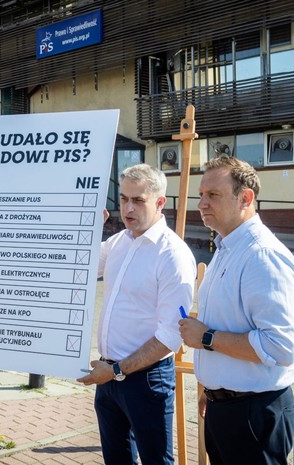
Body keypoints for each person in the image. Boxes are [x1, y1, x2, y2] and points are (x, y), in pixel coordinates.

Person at [179, 155, 294, 465]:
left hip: (253, 413)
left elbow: (279, 346)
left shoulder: (262, 256)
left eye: (213, 195)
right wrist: (214, 388)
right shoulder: (228, 247)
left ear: (245, 198)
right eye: (201, 194)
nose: (201, 204)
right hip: (228, 407)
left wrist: (206, 337)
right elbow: (231, 321)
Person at [77, 164, 196, 465]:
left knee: (156, 461)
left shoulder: (172, 254)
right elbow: (79, 267)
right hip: (108, 377)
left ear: (160, 202)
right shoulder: (119, 242)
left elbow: (170, 336)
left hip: (146, 380)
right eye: (124, 198)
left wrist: (117, 370)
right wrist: (86, 228)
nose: (128, 208)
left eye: (138, 200)